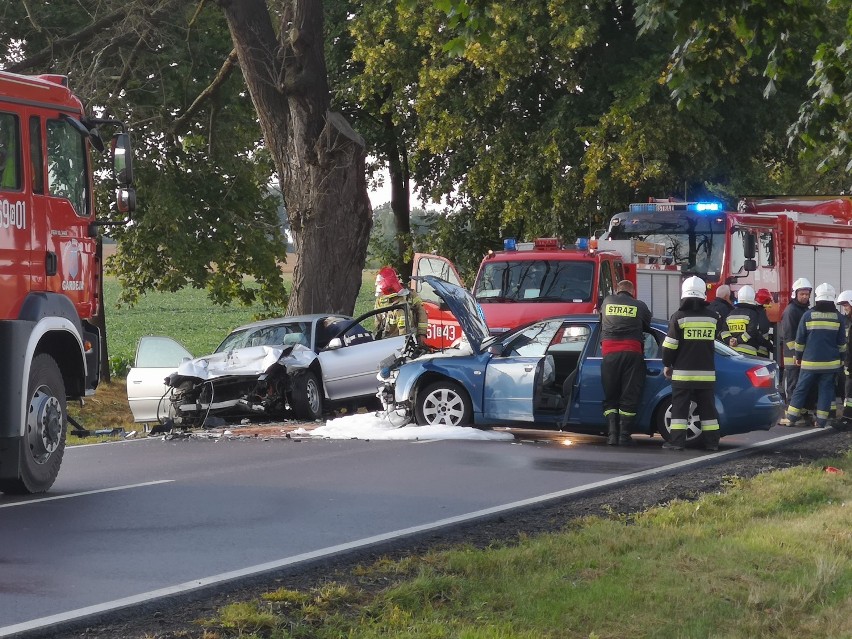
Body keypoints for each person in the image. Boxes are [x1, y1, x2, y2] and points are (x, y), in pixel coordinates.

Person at [662, 276, 721, 451]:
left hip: (683, 374)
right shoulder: (713, 317)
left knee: (680, 409)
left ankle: (677, 442)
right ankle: (712, 443)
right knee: (708, 409)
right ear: (703, 295)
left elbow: (669, 346)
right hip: (707, 373)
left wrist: (667, 364)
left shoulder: (678, 317)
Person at [599, 279, 652, 446]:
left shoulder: (607, 302)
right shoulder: (639, 305)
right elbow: (647, 325)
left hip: (609, 354)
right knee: (628, 397)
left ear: (617, 290)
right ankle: (624, 436)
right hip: (632, 353)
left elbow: (601, 321)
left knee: (610, 396)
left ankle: (612, 435)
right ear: (633, 292)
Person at [786, 283, 846, 428]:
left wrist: (798, 356)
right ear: (833, 298)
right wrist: (842, 360)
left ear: (817, 297)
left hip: (810, 362)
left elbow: (800, 340)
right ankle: (820, 421)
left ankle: (791, 418)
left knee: (801, 388)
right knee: (826, 391)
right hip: (831, 363)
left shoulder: (808, 315)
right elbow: (841, 343)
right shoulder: (838, 318)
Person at [779, 278, 812, 422]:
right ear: (795, 294)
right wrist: (797, 354)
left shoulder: (804, 309)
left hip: (802, 355)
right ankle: (791, 414)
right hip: (793, 356)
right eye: (802, 294)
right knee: (793, 385)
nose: (805, 296)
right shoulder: (791, 311)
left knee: (802, 385)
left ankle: (801, 412)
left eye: (807, 294)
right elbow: (789, 336)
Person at [374, 266, 428, 347]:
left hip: (407, 338)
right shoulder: (380, 299)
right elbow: (378, 321)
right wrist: (375, 339)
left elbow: (421, 313)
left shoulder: (410, 294)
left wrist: (422, 334)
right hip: (387, 340)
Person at [723, 285, 770, 357]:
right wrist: (738, 340)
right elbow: (752, 331)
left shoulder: (730, 314)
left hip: (732, 352)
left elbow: (724, 332)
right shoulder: (753, 313)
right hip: (749, 354)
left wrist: (730, 340)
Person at [754, 288, 774, 358]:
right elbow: (763, 330)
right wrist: (770, 346)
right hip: (761, 352)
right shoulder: (762, 313)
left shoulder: (752, 311)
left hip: (752, 350)